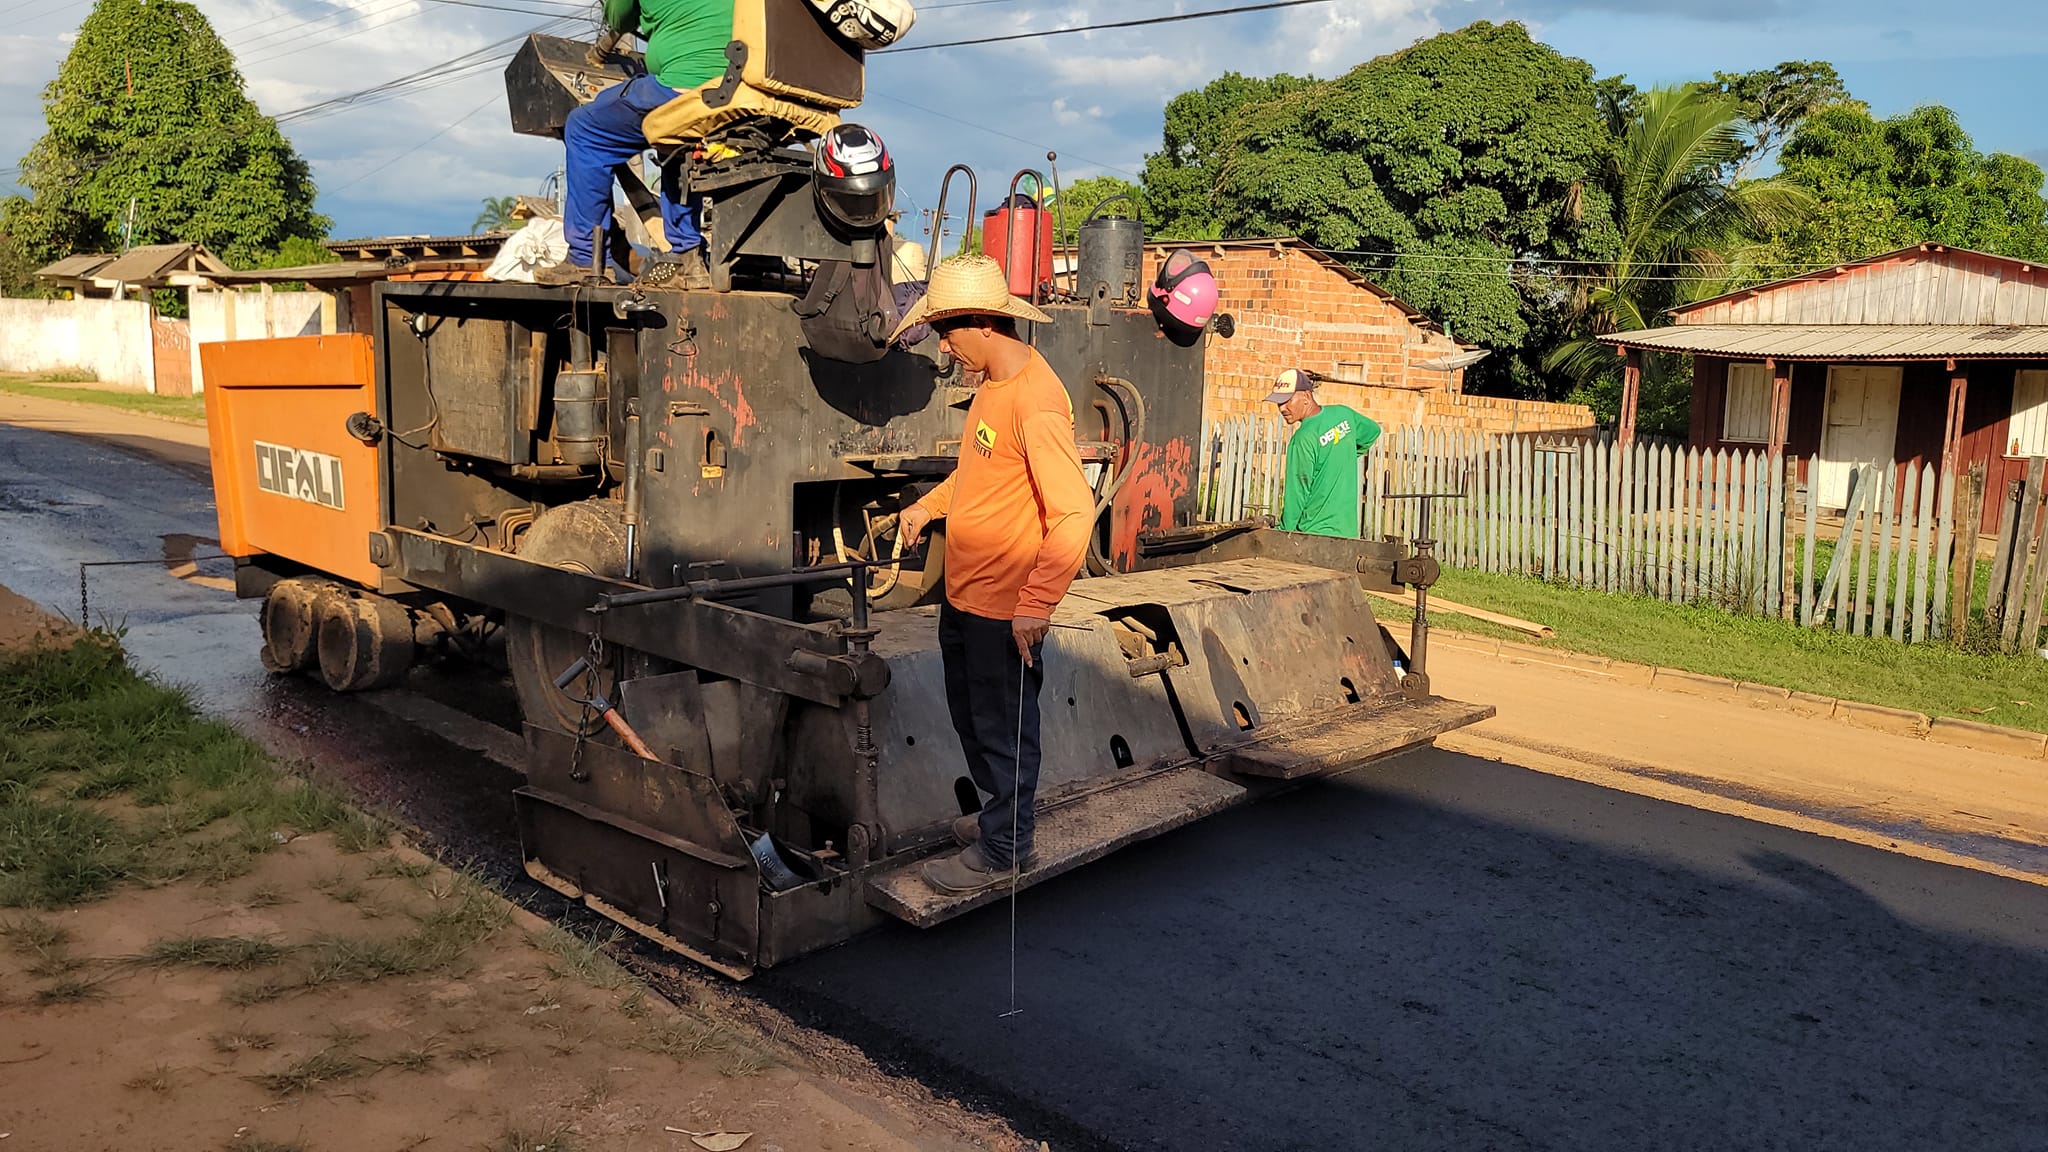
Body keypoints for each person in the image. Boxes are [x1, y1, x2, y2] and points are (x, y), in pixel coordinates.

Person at [894, 256, 1094, 895]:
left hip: (1005, 608)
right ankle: (994, 819)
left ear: (980, 324)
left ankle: (1007, 847)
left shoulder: (1035, 403)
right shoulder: (992, 386)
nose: (944, 347)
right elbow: (979, 477)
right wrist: (926, 507)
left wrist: (1035, 605)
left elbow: (1073, 513)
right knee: (970, 716)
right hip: (964, 597)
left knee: (1003, 728)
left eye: (947, 333)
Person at [535, 0, 732, 288]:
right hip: (741, 90)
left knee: (584, 127)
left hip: (685, 87)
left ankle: (585, 259)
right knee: (681, 144)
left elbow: (619, 16)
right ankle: (688, 259)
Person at [1269, 368, 1381, 538]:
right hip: (1347, 533)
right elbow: (1372, 431)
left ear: (1306, 396)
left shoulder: (1302, 439)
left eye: (1287, 400)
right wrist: (1343, 457)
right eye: (1278, 403)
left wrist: (1284, 533)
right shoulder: (1344, 415)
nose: (1282, 408)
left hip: (1313, 535)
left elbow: (1297, 493)